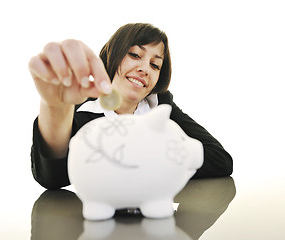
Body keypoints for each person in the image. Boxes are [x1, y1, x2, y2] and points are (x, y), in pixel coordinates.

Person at [28, 23, 233, 189]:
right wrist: (55, 107)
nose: (145, 68)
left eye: (155, 65)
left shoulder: (159, 106)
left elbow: (219, 159)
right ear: (112, 55)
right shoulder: (82, 110)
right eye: (135, 55)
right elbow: (53, 178)